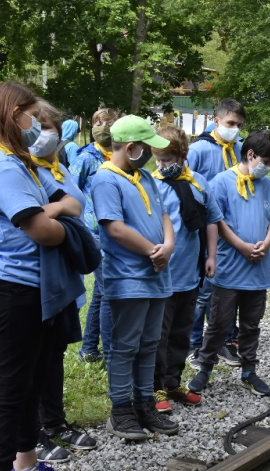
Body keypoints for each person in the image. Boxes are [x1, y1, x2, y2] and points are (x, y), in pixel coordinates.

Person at [0, 82, 79, 471]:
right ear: (16, 113)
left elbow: (72, 200)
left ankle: (27, 467)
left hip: (35, 286)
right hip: (10, 288)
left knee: (32, 380)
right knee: (10, 388)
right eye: (33, 115)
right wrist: (55, 213)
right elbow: (47, 231)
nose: (38, 124)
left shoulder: (19, 161)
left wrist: (49, 211)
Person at [91, 115, 178, 440]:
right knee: (125, 346)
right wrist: (152, 252)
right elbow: (113, 227)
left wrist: (167, 246)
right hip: (128, 278)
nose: (148, 153)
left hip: (156, 276)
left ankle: (144, 404)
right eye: (145, 147)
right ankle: (121, 409)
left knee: (149, 344)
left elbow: (165, 214)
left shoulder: (146, 177)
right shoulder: (106, 180)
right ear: (130, 148)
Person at [187, 130, 270, 396]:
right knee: (219, 322)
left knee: (252, 324)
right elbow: (216, 221)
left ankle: (249, 370)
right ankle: (205, 368)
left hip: (258, 269)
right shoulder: (221, 182)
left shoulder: (266, 183)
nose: (269, 167)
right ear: (250, 155)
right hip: (230, 268)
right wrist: (241, 246)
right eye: (266, 160)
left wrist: (267, 241)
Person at [30, 99, 98, 461]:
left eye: (50, 129)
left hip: (62, 268)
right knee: (34, 357)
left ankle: (55, 422)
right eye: (39, 128)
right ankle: (33, 432)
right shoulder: (23, 168)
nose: (45, 136)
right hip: (34, 275)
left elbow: (76, 203)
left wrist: (57, 208)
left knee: (54, 350)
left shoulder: (57, 166)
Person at [151, 126, 223, 411]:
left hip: (189, 275)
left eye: (167, 160)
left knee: (181, 333)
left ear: (183, 155)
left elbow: (212, 221)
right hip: (162, 276)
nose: (161, 165)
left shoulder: (199, 183)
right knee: (159, 336)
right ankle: (155, 388)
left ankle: (173, 382)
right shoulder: (151, 184)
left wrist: (212, 257)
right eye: (157, 160)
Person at [187, 98, 246, 366]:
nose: (234, 129)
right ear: (217, 121)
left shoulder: (242, 148)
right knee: (203, 290)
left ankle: (225, 340)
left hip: (232, 229)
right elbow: (186, 185)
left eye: (239, 124)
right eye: (230, 123)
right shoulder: (199, 149)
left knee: (228, 287)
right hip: (205, 228)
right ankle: (194, 343)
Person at [70, 107, 122, 364]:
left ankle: (89, 348)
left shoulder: (120, 156)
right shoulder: (86, 157)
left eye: (107, 122)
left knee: (102, 291)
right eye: (97, 122)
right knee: (107, 288)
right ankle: (109, 353)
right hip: (93, 233)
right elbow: (69, 191)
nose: (102, 126)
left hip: (115, 232)